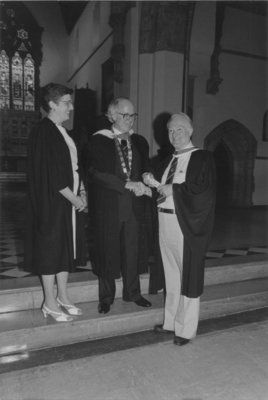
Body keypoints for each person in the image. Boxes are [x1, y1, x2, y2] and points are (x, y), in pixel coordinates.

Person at [143, 112, 216, 345]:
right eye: (170, 131)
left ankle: (185, 329)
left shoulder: (203, 158)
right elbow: (160, 186)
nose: (174, 135)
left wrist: (174, 189)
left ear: (191, 131)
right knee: (171, 276)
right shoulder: (167, 160)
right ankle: (171, 323)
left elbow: (203, 191)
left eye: (179, 130)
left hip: (186, 224)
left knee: (188, 276)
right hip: (164, 221)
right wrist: (149, 179)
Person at [26, 83, 87, 322]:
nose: (71, 107)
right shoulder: (44, 131)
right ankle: (49, 303)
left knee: (64, 249)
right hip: (52, 202)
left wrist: (81, 190)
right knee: (51, 251)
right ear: (52, 104)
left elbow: (73, 168)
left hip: (65, 202)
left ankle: (62, 296)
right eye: (66, 102)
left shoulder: (61, 131)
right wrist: (76, 200)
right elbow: (53, 174)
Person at [87, 97, 152, 314]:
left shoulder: (140, 142)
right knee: (107, 251)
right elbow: (95, 173)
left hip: (134, 208)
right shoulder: (98, 141)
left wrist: (147, 176)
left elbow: (144, 168)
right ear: (112, 115)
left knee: (132, 251)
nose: (131, 120)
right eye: (125, 115)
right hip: (109, 207)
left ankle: (133, 293)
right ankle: (106, 297)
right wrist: (126, 184)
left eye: (133, 115)